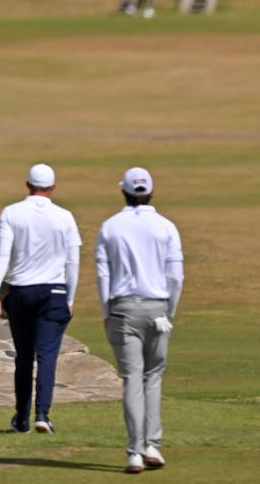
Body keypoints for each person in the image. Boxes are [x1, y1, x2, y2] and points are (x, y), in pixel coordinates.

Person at [95, 167, 184, 474]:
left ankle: (135, 452)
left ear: (123, 191)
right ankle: (152, 446)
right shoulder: (166, 227)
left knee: (132, 378)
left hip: (122, 310)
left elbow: (103, 273)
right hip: (158, 307)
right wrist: (169, 310)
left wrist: (106, 311)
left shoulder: (110, 227)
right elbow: (175, 275)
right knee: (153, 377)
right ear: (151, 192)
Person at [0, 163, 81, 435]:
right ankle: (42, 413)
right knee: (48, 355)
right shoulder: (65, 217)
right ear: (52, 188)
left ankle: (21, 417)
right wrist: (70, 297)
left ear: (27, 185)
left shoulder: (11, 213)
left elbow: (3, 254)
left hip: (21, 292)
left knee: (24, 356)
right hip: (54, 292)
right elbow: (72, 261)